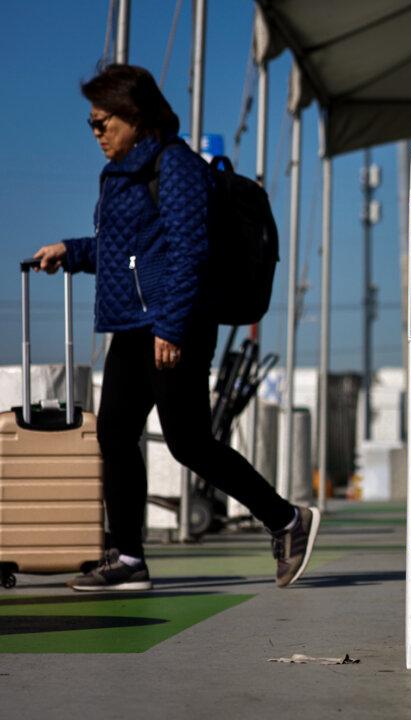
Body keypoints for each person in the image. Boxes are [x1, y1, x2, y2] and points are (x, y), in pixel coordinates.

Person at [32, 64, 319, 591]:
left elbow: (191, 254)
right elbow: (127, 253)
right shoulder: (119, 175)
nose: (96, 133)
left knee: (188, 442)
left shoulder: (177, 166)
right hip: (132, 325)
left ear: (135, 117)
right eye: (90, 124)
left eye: (103, 122)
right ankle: (129, 559)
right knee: (115, 432)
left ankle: (287, 519)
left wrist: (172, 326)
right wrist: (71, 252)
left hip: (172, 325)